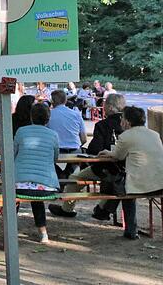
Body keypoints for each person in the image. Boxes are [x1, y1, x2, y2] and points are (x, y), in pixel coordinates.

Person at [49, 93, 126, 219]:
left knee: (74, 178)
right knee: (117, 182)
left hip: (107, 167)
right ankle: (102, 209)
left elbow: (94, 150)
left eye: (105, 105)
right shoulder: (129, 124)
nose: (103, 107)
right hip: (126, 169)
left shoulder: (103, 125)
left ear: (111, 107)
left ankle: (67, 208)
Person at [98, 106, 163, 239]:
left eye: (122, 118)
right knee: (122, 185)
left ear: (127, 122)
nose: (120, 120)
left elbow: (118, 156)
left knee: (120, 187)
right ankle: (102, 211)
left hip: (140, 184)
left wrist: (108, 153)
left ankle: (128, 228)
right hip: (159, 182)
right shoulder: (154, 134)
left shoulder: (126, 136)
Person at [14, 103, 60, 244]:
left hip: (19, 184)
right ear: (48, 118)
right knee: (36, 198)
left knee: (15, 196)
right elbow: (55, 158)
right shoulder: (53, 135)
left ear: (31, 117)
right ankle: (43, 233)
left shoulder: (21, 131)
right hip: (46, 187)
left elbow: (13, 153)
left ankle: (10, 228)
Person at [46, 90, 87, 179]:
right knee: (72, 168)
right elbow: (84, 139)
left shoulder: (48, 115)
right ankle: (66, 176)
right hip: (75, 150)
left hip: (55, 151)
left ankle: (60, 177)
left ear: (52, 101)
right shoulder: (76, 114)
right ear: (65, 101)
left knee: (46, 161)